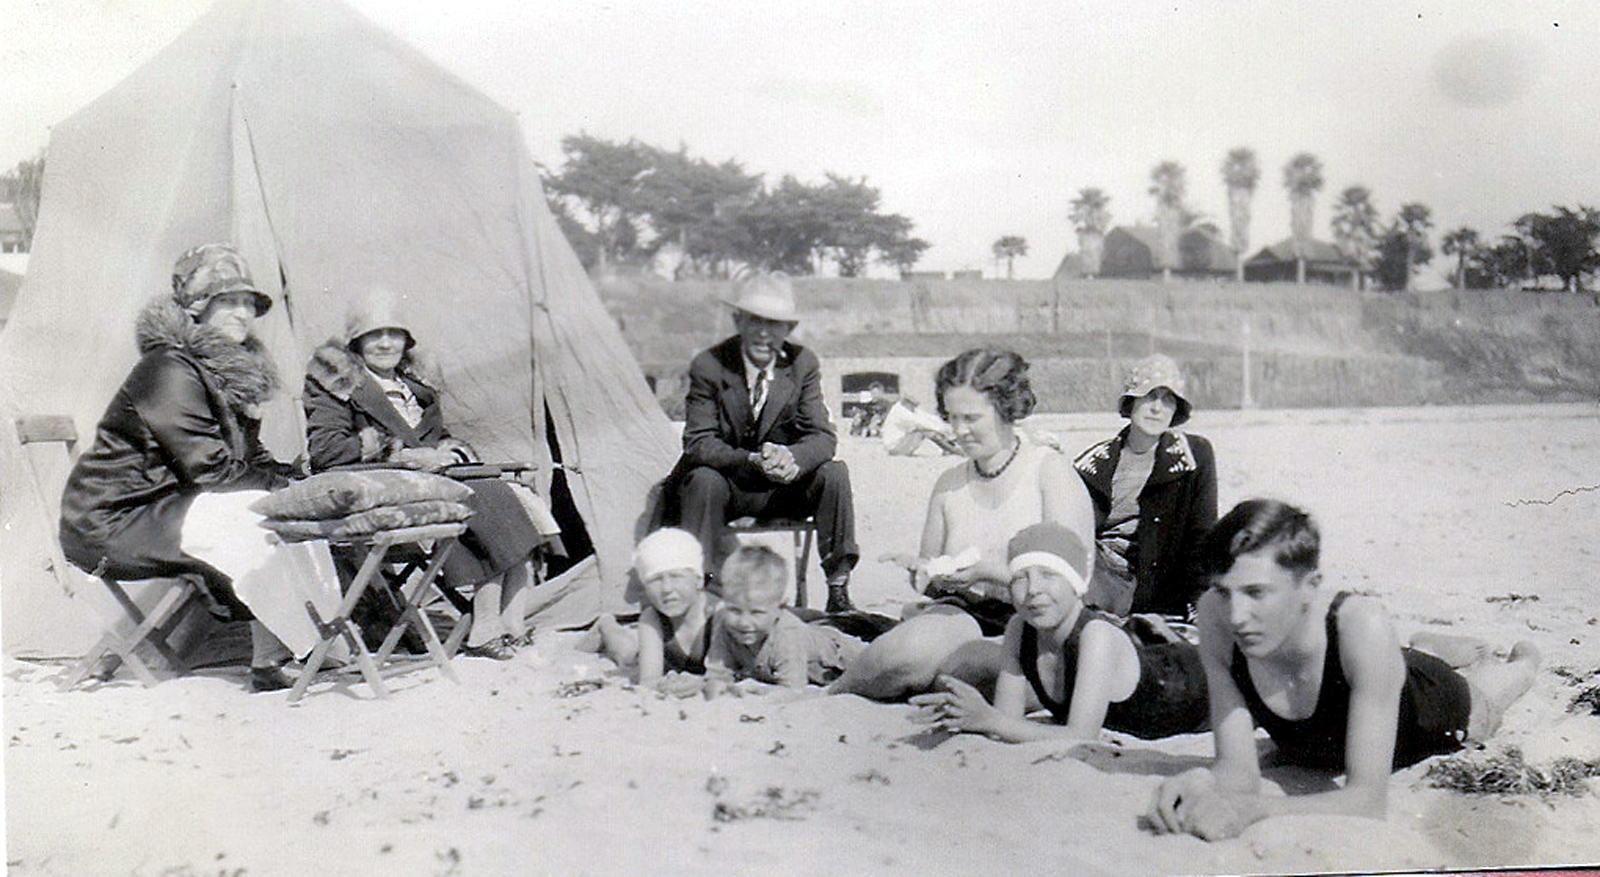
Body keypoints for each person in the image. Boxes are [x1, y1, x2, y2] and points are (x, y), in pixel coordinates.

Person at [1150, 499, 1541, 841]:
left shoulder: (1361, 624)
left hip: (1440, 705)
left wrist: (1253, 811)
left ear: (1310, 586)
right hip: (1371, 679)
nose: (1237, 615)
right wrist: (1201, 781)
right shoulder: (1217, 618)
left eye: (1257, 592)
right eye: (1224, 590)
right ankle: (1422, 645)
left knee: (1506, 682)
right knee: (1390, 659)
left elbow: (1367, 800)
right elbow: (1238, 770)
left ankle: (1511, 661)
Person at [58, 243, 343, 692]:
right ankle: (272, 659)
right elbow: (210, 469)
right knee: (256, 515)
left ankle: (312, 641)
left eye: (248, 303)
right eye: (227, 301)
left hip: (165, 508)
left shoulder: (221, 369)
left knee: (289, 510)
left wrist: (295, 480)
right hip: (111, 519)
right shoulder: (169, 368)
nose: (242, 313)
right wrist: (279, 489)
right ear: (196, 307)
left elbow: (249, 457)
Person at [303, 290, 556, 660]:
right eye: (375, 334)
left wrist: (450, 451)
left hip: (432, 480)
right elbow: (327, 451)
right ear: (357, 341)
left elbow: (437, 440)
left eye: (395, 333)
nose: (386, 343)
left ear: (407, 341)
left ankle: (512, 620)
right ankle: (484, 626)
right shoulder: (336, 384)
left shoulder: (415, 386)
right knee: (487, 497)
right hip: (379, 484)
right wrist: (401, 454)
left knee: (520, 496)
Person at [830, 348, 1095, 701]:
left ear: (1005, 410)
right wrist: (921, 570)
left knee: (968, 667)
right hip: (962, 615)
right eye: (952, 418)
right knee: (906, 654)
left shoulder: (1048, 471)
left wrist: (987, 572)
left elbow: (1077, 578)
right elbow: (929, 581)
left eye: (971, 418)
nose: (958, 431)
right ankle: (837, 691)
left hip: (1039, 620)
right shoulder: (949, 483)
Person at [663, 271, 859, 613]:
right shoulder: (710, 366)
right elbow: (698, 442)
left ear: (788, 330)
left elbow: (823, 436)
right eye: (755, 321)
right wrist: (751, 460)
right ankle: (701, 591)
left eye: (775, 324)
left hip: (784, 487)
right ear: (739, 321)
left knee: (834, 473)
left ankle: (838, 588)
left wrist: (793, 457)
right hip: (728, 487)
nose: (764, 333)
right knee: (702, 479)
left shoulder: (802, 364)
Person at [911, 522, 1208, 742]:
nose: (1034, 590)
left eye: (1049, 575)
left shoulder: (1096, 636)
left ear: (1076, 585)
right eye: (1020, 579)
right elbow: (1007, 720)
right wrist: (971, 714)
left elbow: (1080, 737)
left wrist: (987, 720)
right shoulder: (1020, 628)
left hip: (1201, 686)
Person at [1074, 353, 1217, 618]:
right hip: (1098, 576)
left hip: (1154, 586)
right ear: (1132, 402)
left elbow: (1203, 535)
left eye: (1168, 400)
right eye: (1150, 396)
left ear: (1176, 410)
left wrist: (1201, 603)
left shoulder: (1193, 456)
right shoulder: (1094, 463)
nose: (1157, 408)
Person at [704, 545, 866, 694]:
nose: (744, 622)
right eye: (735, 610)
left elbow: (792, 691)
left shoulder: (787, 635)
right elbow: (717, 674)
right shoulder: (726, 624)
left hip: (842, 656)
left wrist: (751, 689)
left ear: (779, 609)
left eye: (756, 613)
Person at [592, 528, 715, 697]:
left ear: (699, 580)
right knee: (626, 654)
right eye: (655, 580)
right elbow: (649, 681)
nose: (666, 589)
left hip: (685, 667)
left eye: (676, 577)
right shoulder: (653, 618)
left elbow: (732, 673)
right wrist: (664, 687)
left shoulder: (717, 615)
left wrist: (699, 684)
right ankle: (606, 625)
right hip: (665, 661)